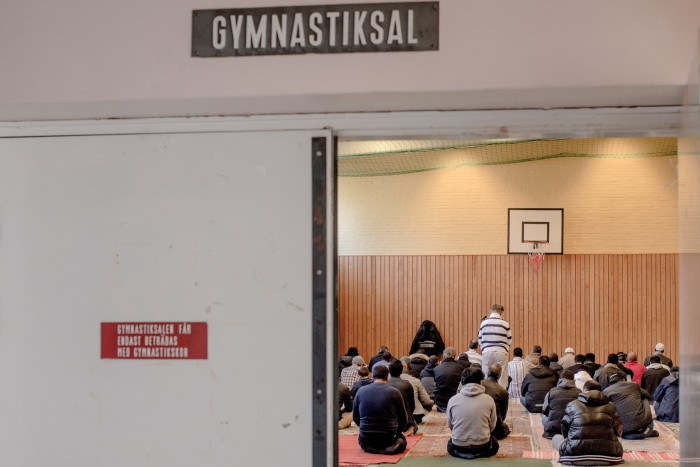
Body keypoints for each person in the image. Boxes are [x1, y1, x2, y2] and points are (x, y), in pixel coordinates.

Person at [552, 380, 624, 466]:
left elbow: (564, 430)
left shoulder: (572, 405)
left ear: (584, 390)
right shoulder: (611, 406)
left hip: (574, 456)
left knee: (556, 437)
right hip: (608, 457)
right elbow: (618, 431)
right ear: (600, 391)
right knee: (617, 441)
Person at [352, 365, 408, 454]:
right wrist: (397, 433)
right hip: (388, 438)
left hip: (366, 438)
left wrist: (365, 428)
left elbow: (355, 417)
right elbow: (404, 419)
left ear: (372, 375)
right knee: (402, 441)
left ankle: (372, 449)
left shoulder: (361, 390)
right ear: (387, 376)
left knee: (362, 440)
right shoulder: (394, 392)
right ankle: (386, 450)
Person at [446, 366, 499, 459]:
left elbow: (450, 425)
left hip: (459, 446)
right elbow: (492, 425)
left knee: (450, 444)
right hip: (482, 445)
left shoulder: (453, 400)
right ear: (481, 382)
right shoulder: (489, 399)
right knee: (494, 443)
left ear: (462, 382)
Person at [603, 373, 657, 439]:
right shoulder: (633, 385)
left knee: (609, 406)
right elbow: (648, 395)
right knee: (644, 398)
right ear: (623, 379)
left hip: (622, 430)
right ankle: (646, 431)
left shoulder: (606, 391)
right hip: (643, 426)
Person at [478, 304, 512, 388]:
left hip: (487, 351)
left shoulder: (483, 323)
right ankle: (501, 396)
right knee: (502, 378)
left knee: (485, 376)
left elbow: (480, 340)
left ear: (491, 311)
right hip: (501, 352)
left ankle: (486, 397)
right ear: (501, 312)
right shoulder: (505, 323)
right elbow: (509, 340)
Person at [541, 370, 581, 439]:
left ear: (560, 380)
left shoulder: (552, 391)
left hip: (553, 428)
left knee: (544, 418)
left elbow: (544, 410)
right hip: (571, 428)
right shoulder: (579, 392)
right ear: (574, 381)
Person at [399, 357, 434, 424]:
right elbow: (426, 400)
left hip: (394, 416)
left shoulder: (388, 381)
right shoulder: (414, 380)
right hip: (414, 414)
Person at [481, 364, 511, 439]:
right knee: (505, 427)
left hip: (477, 424)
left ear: (487, 373)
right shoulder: (502, 391)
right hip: (494, 429)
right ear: (499, 375)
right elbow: (503, 416)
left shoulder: (479, 384)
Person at [387, 360, 416, 433]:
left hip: (388, 421)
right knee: (415, 427)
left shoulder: (384, 384)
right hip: (405, 421)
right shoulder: (407, 384)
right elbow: (412, 406)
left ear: (389, 371)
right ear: (401, 371)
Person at [434, 347, 463, 412]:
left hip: (440, 401)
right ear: (455, 356)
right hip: (455, 400)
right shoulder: (460, 368)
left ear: (444, 356)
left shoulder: (436, 369)